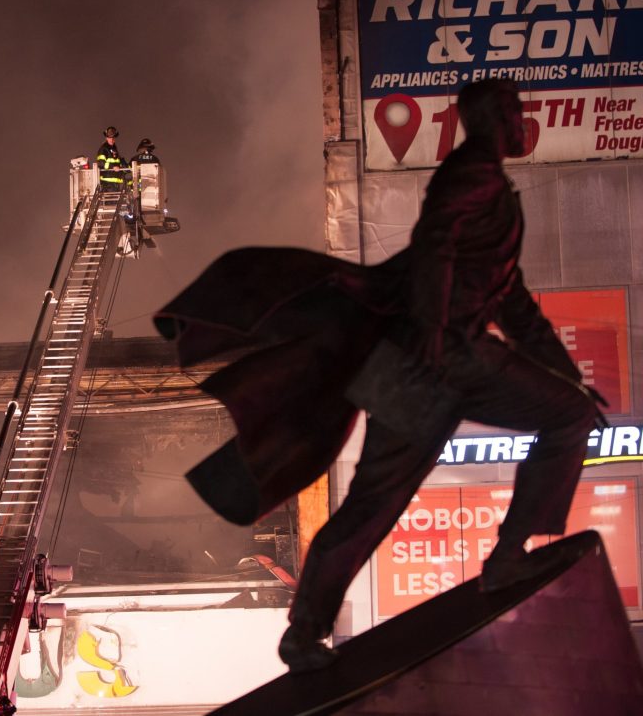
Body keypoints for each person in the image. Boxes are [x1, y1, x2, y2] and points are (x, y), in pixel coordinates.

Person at [153, 79, 602, 673]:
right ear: (493, 117)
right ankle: (506, 559)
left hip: (427, 358)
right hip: (443, 358)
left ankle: (305, 631)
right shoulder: (474, 175)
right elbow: (435, 251)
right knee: (558, 419)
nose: (525, 121)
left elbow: (512, 301)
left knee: (373, 504)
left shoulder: (488, 184)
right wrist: (439, 342)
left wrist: (566, 374)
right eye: (516, 111)